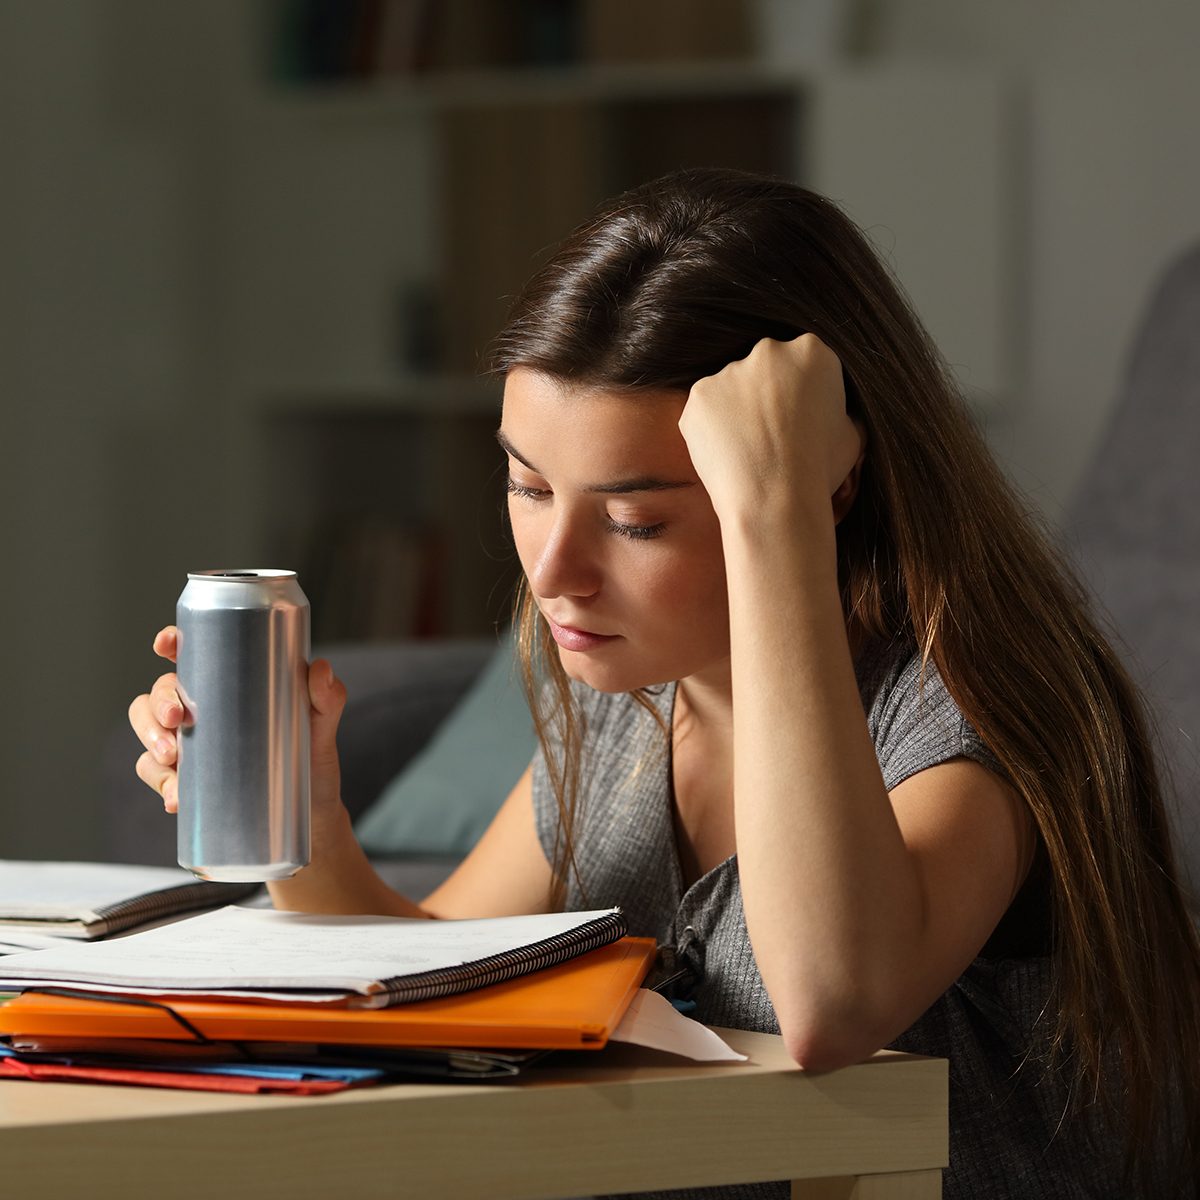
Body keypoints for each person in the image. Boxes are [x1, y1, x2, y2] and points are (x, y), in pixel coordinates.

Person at [129, 168, 1200, 1198]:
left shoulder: (973, 713)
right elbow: (433, 971)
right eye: (528, 486)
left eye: (637, 520)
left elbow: (828, 1003)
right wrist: (306, 811)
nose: (552, 574)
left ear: (825, 485)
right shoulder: (628, 709)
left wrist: (779, 520)